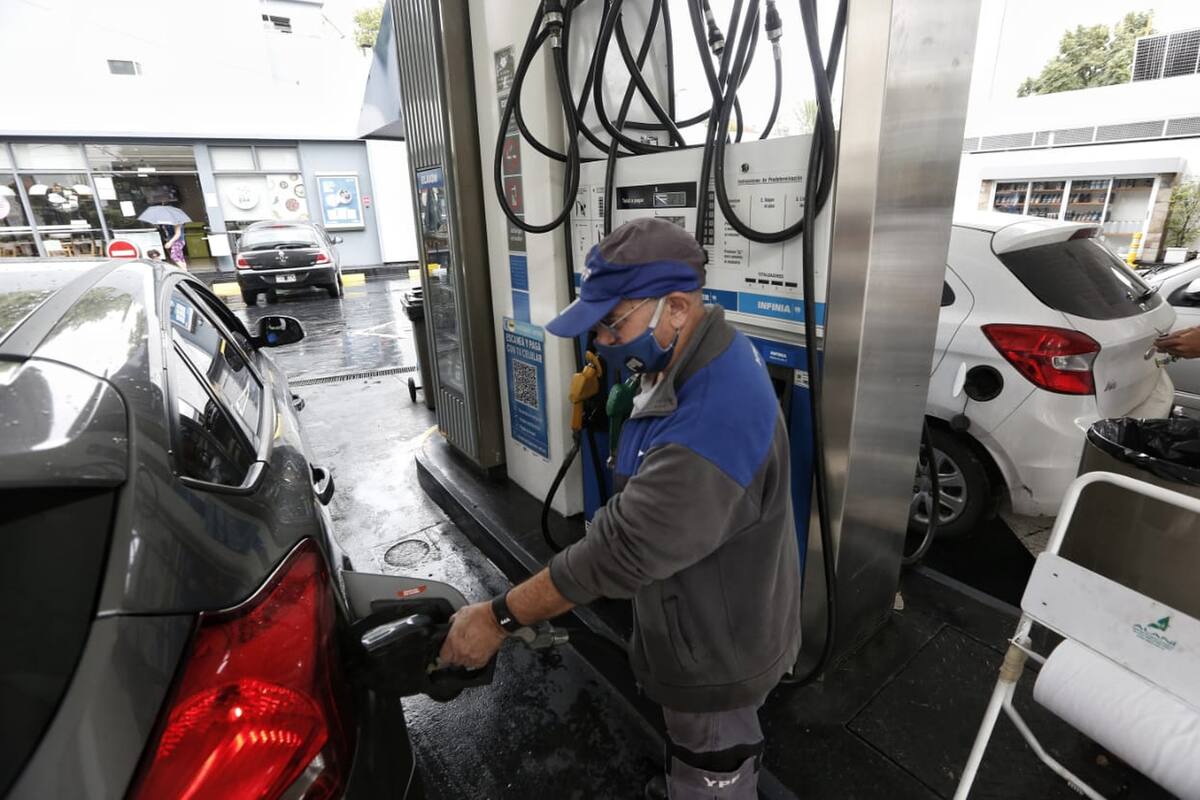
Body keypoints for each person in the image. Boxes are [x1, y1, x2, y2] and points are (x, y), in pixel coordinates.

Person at [438, 217, 801, 799]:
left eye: (611, 323)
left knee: (713, 754)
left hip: (714, 652)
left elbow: (619, 552)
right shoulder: (699, 353)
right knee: (691, 747)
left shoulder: (710, 419)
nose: (601, 343)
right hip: (699, 612)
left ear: (677, 307)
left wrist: (497, 617)